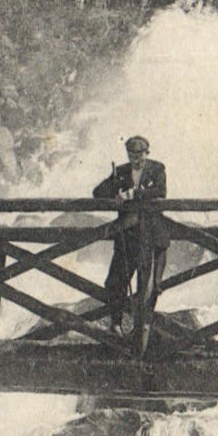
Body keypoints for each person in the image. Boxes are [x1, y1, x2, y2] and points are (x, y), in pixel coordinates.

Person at [92, 135, 170, 333]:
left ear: (147, 153)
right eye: (132, 155)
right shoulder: (121, 171)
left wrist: (132, 194)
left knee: (150, 286)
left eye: (140, 155)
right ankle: (116, 324)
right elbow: (97, 192)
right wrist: (115, 189)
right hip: (127, 237)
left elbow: (160, 192)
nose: (136, 160)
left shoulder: (157, 168)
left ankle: (141, 331)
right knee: (114, 281)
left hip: (153, 237)